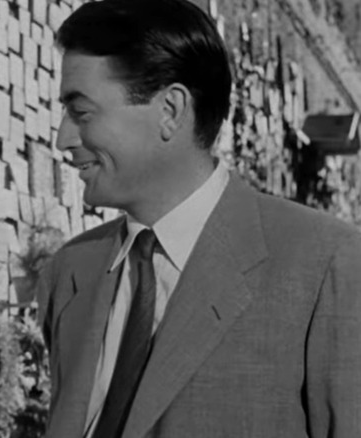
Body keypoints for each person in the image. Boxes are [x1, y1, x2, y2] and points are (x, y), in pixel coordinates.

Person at [37, 0, 361, 437]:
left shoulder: (325, 265)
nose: (63, 138)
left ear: (170, 111)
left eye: (81, 112)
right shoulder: (69, 273)